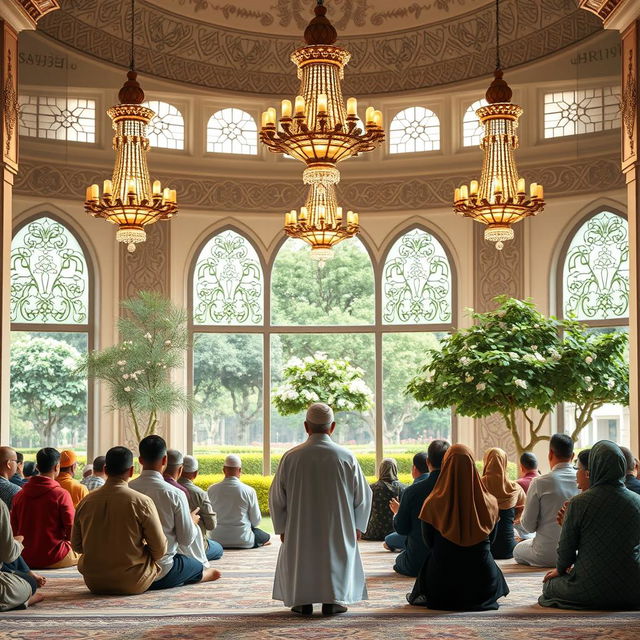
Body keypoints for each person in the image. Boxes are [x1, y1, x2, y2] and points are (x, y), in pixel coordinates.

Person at [270, 403, 372, 616]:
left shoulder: (291, 457)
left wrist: (281, 526)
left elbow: (277, 497)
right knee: (334, 555)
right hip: (339, 525)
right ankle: (333, 600)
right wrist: (358, 525)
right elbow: (363, 495)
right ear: (332, 427)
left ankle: (301, 601)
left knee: (302, 556)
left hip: (300, 525)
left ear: (306, 427)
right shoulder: (346, 457)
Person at [540, 440, 640, 610]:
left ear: (593, 468)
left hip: (589, 588)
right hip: (633, 588)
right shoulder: (637, 501)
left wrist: (560, 569)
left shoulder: (579, 503)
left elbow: (567, 550)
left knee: (549, 586)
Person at [408, 444, 508, 611]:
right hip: (482, 584)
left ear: (446, 466)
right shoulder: (489, 502)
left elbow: (429, 542)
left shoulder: (432, 503)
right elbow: (491, 540)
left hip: (441, 586)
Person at [71, 446, 168, 595]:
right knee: (184, 565)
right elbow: (160, 549)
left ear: (105, 469)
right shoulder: (141, 501)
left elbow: (77, 546)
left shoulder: (86, 501)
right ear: (131, 470)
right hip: (133, 581)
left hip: (94, 582)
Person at [129, 435, 220, 590]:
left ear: (140, 460)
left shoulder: (128, 489)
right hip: (162, 570)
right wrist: (191, 521)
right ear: (164, 460)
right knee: (195, 565)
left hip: (132, 568)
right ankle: (202, 574)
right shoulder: (175, 494)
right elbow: (185, 539)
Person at [513, 434, 579, 567]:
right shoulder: (583, 481)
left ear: (550, 454)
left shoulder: (539, 482)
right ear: (572, 456)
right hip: (575, 555)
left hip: (545, 555)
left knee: (517, 550)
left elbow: (528, 526)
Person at [388, 440, 449, 577]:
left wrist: (397, 513)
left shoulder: (413, 491)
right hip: (452, 562)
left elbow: (402, 529)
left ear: (428, 462)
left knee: (399, 560)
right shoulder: (460, 489)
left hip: (418, 562)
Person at [10, 448, 78, 569]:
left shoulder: (19, 495)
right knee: (85, 552)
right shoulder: (61, 494)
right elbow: (72, 531)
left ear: (37, 467)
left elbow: (14, 530)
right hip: (55, 556)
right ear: (57, 467)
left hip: (24, 557)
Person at [207, 454, 270, 549]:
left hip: (216, 539)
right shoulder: (249, 491)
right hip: (243, 540)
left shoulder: (211, 490)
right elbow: (256, 521)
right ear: (240, 470)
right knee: (265, 536)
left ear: (224, 470)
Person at [482, 448, 526, 559]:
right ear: (505, 463)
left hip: (485, 549)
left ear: (486, 462)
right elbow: (524, 511)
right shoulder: (515, 488)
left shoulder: (477, 486)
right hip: (508, 549)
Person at [0, 501, 43, 611]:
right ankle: (24, 601)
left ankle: (26, 573)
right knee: (31, 583)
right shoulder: (3, 504)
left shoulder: (20, 496)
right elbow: (8, 555)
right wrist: (18, 543)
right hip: (55, 555)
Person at [179, 455, 223, 561]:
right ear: (195, 473)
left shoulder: (167, 489)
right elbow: (211, 525)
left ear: (179, 470)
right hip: (196, 543)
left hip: (174, 545)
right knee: (218, 548)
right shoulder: (199, 494)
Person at [384, 451, 429, 552]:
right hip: (438, 539)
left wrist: (397, 511)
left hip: (418, 540)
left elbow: (402, 527)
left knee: (388, 540)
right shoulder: (443, 486)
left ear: (414, 468)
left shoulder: (410, 491)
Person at [362, 458, 405, 541]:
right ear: (395, 469)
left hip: (373, 532)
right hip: (395, 531)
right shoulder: (404, 489)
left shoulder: (371, 488)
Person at [557, 449, 590, 526]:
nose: (576, 475)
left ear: (587, 473)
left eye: (577, 469)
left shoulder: (580, 503)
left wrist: (567, 525)